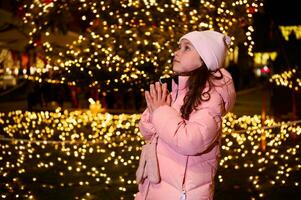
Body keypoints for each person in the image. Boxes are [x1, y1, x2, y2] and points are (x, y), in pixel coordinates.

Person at [135, 30, 236, 200]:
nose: (176, 52)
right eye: (179, 47)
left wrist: (160, 111)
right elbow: (148, 132)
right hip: (155, 188)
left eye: (187, 48)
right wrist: (154, 109)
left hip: (183, 193)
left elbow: (191, 141)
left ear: (205, 59)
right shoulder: (177, 90)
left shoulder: (211, 97)